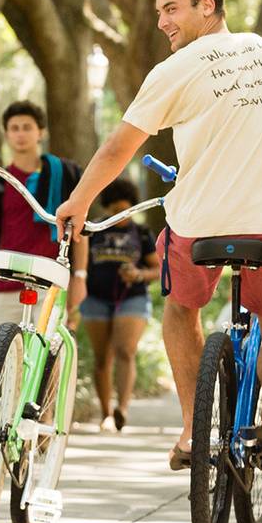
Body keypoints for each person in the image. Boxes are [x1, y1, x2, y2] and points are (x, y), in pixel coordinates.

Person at [52, 0, 262, 491]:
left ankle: (189, 431)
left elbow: (118, 148)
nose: (162, 22)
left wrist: (79, 202)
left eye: (171, 8)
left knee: (181, 309)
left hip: (197, 227)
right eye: (158, 13)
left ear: (208, 5)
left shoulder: (174, 71)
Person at [0, 101, 88, 346]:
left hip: (51, 283)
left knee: (46, 360)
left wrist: (80, 276)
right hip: (5, 282)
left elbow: (79, 229)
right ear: (6, 135)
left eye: (27, 127)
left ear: (41, 132)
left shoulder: (65, 175)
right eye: (14, 128)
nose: (20, 133)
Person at [81, 178, 157, 432]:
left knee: (125, 350)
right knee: (103, 357)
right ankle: (106, 413)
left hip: (132, 297)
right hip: (95, 298)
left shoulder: (143, 234)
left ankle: (122, 409)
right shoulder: (93, 230)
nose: (120, 215)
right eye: (114, 211)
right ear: (107, 209)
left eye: (125, 209)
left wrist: (138, 274)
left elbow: (158, 269)